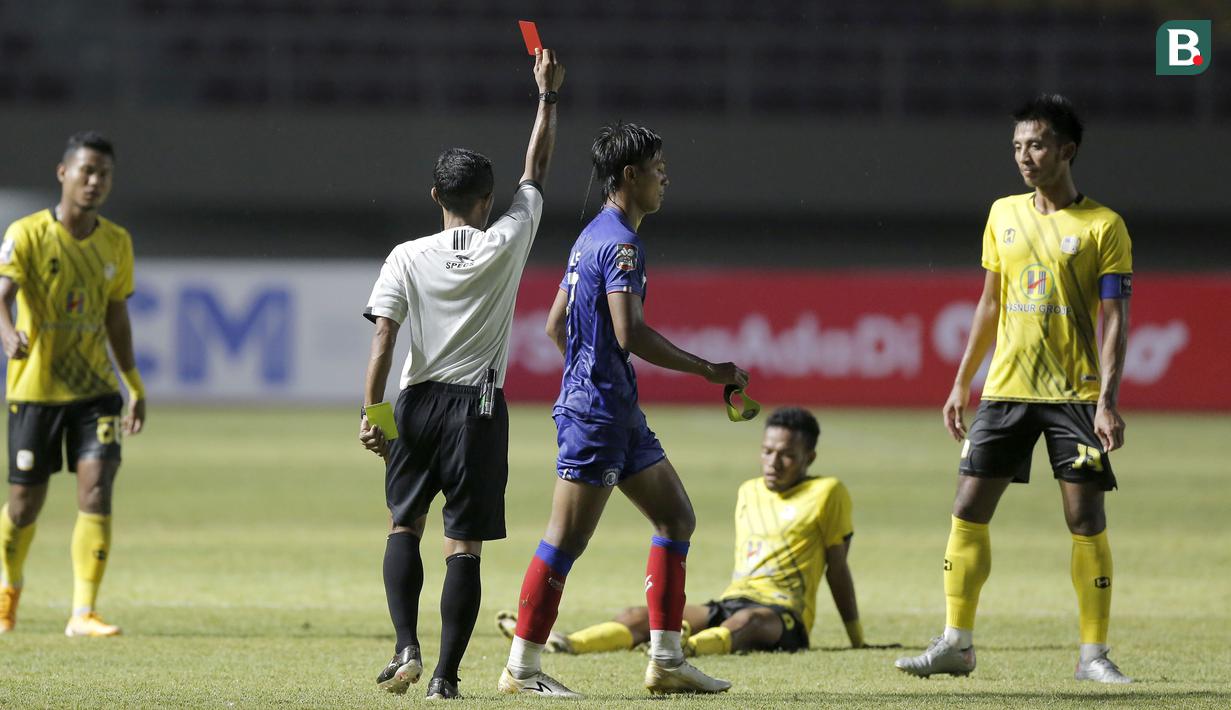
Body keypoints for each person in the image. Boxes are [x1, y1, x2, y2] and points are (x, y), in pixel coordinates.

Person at [496, 121, 750, 699]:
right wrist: (710, 370)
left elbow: (556, 324)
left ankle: (665, 661)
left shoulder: (591, 235)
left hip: (614, 410)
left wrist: (588, 375)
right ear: (629, 176)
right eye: (657, 166)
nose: (665, 175)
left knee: (676, 518)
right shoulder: (622, 246)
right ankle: (522, 668)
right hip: (600, 416)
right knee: (565, 540)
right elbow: (629, 331)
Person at [894, 94, 1133, 684]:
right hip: (1005, 391)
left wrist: (1107, 399)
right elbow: (989, 303)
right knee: (967, 509)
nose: (1025, 156)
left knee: (1085, 517)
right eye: (1018, 146)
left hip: (1074, 397)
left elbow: (1116, 319)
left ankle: (1093, 656)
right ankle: (957, 642)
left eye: (1038, 144)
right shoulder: (1002, 213)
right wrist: (960, 383)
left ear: (1067, 150)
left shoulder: (1104, 225)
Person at [357, 48, 564, 701]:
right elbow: (537, 170)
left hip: (415, 405)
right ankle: (444, 678)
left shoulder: (405, 255)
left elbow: (384, 339)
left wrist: (375, 415)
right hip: (476, 408)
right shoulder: (506, 241)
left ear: (434, 197)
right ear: (486, 199)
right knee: (464, 547)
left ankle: (404, 648)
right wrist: (546, 96)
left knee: (402, 526)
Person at [498, 407, 887, 658]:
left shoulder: (828, 492)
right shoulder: (748, 490)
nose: (774, 461)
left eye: (786, 454)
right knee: (640, 614)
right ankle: (567, 643)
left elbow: (838, 568)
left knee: (748, 623)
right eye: (768, 451)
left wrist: (856, 638)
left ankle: (681, 650)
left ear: (809, 458)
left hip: (783, 614)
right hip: (735, 598)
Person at [0, 131, 146, 637]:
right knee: (24, 504)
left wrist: (134, 385)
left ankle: (83, 611)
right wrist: (6, 333)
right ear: (63, 173)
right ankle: (8, 592)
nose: (94, 181)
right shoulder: (26, 234)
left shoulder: (116, 242)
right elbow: (2, 295)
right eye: (86, 171)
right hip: (35, 390)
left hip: (96, 393)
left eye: (103, 174)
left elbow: (117, 319)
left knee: (97, 488)